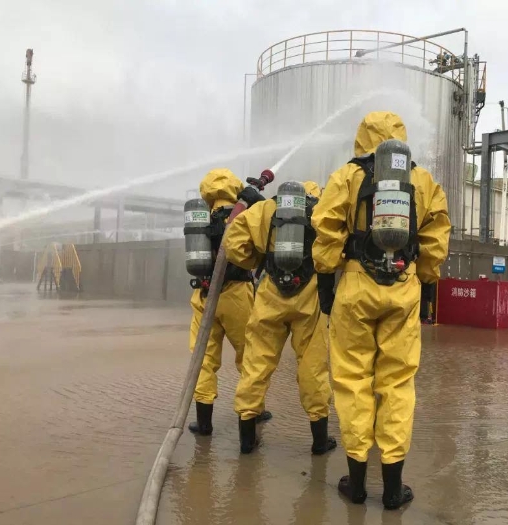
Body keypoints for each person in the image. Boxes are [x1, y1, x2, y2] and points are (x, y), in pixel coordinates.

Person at [312, 111, 450, 510]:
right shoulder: (422, 180)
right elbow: (436, 238)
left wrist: (327, 280)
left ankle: (356, 483)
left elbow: (326, 228)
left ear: (362, 137)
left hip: (356, 284)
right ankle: (392, 488)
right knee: (397, 384)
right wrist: (425, 281)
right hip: (404, 287)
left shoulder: (347, 176)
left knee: (352, 380)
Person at [223, 180, 336, 456]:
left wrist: (258, 261)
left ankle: (247, 439)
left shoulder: (266, 209)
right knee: (312, 365)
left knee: (256, 363)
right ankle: (319, 441)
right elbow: (336, 247)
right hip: (310, 296)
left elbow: (233, 243)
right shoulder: (322, 209)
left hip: (270, 294)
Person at [187, 168, 271, 436]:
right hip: (236, 293)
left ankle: (204, 423)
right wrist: (256, 201)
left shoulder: (201, 219)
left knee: (203, 359)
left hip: (204, 296)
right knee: (249, 356)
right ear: (235, 187)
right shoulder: (242, 214)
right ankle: (252, 414)